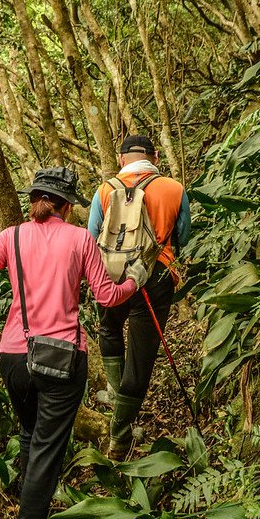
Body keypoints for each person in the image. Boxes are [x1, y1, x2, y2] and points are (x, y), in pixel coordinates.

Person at [0, 167, 148, 519]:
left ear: (35, 202)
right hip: (62, 358)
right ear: (65, 206)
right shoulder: (80, 240)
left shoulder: (11, 237)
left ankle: (30, 499)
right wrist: (134, 280)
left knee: (29, 433)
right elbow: (107, 297)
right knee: (45, 449)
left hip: (13, 357)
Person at [88, 135, 191, 460]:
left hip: (112, 275)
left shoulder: (105, 190)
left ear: (121, 160)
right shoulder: (174, 188)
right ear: (155, 156)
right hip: (156, 276)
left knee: (109, 329)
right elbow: (184, 236)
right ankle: (120, 436)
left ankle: (116, 397)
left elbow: (92, 237)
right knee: (141, 358)